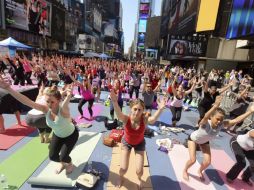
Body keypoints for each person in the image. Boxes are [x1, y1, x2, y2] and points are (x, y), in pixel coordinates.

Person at [0, 79, 79, 174]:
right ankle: (62, 163)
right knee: (53, 156)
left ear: (58, 100)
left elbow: (66, 102)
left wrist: (69, 95)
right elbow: (27, 101)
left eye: (52, 102)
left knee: (64, 156)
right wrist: (9, 89)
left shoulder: (63, 109)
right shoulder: (45, 109)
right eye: (47, 101)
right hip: (58, 135)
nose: (49, 104)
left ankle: (69, 163)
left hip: (71, 135)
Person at [183, 96, 254, 182]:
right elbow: (205, 117)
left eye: (221, 119)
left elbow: (235, 121)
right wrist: (215, 106)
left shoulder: (221, 125)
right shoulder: (205, 123)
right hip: (193, 140)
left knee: (207, 162)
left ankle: (200, 171)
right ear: (211, 117)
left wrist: (250, 111)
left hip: (204, 142)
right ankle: (185, 170)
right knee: (192, 160)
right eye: (217, 119)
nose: (219, 121)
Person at [110, 90, 167, 189]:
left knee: (139, 171)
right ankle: (120, 177)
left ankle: (139, 179)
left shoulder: (144, 120)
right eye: (135, 109)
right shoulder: (126, 119)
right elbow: (119, 114)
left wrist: (160, 109)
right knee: (123, 168)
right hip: (126, 142)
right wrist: (115, 102)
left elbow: (152, 120)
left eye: (140, 110)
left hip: (139, 143)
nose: (137, 112)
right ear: (131, 108)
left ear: (143, 110)